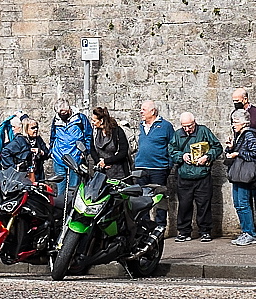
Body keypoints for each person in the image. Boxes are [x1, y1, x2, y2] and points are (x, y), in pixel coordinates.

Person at [169, 112, 222, 243]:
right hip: (184, 176)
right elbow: (171, 150)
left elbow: (217, 147)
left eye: (189, 126)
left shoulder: (203, 131)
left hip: (202, 175)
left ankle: (205, 231)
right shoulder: (177, 134)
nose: (187, 129)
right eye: (184, 127)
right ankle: (184, 231)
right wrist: (181, 156)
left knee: (204, 205)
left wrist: (207, 156)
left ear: (195, 122)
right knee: (184, 205)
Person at [233, 88, 256, 239]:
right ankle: (249, 230)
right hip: (244, 164)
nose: (235, 103)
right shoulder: (236, 115)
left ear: (245, 99)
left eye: (237, 100)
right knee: (244, 200)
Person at [135, 100, 175, 229]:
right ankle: (145, 226)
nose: (141, 112)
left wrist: (168, 165)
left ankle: (160, 226)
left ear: (153, 111)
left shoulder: (165, 126)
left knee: (160, 198)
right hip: (141, 167)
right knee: (142, 199)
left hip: (158, 168)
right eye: (141, 109)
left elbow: (172, 146)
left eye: (144, 110)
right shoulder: (141, 125)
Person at [225, 108, 256, 246]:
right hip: (237, 174)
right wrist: (231, 148)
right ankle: (245, 232)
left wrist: (237, 154)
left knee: (243, 204)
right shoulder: (239, 135)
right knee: (238, 205)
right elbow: (237, 151)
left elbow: (255, 155)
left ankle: (250, 233)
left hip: (244, 174)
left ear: (244, 122)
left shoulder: (249, 135)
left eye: (236, 122)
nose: (233, 125)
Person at [49, 99, 92, 196]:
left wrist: (85, 152)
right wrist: (51, 151)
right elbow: (52, 136)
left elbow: (88, 135)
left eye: (64, 112)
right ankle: (61, 209)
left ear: (69, 109)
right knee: (60, 188)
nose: (62, 114)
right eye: (60, 113)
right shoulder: (56, 120)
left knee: (74, 188)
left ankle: (71, 208)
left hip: (75, 157)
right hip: (58, 157)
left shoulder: (80, 118)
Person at [89, 106, 131, 179]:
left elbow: (123, 152)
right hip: (101, 172)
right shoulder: (95, 132)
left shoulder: (117, 131)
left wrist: (107, 161)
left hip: (118, 172)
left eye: (94, 121)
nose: (92, 123)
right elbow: (92, 149)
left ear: (101, 120)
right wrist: (99, 162)